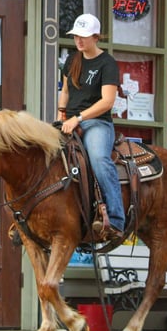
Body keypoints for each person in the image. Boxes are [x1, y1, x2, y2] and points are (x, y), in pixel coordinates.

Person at [59, 13, 125, 240]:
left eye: (84, 36)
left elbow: (107, 101)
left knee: (98, 158)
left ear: (96, 37)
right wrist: (61, 115)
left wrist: (77, 118)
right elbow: (65, 91)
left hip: (97, 123)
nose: (78, 40)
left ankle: (116, 219)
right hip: (69, 121)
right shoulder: (71, 60)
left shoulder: (107, 63)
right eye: (76, 36)